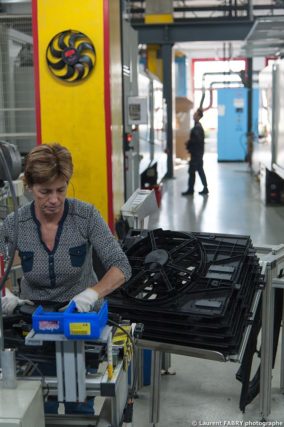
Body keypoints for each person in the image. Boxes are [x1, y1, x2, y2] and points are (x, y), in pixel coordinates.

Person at [0, 143, 132, 413]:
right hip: (33, 324)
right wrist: (8, 297)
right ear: (28, 187)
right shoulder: (15, 224)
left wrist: (93, 293)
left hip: (80, 324)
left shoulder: (86, 216)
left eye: (61, 189)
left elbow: (121, 266)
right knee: (36, 408)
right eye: (44, 191)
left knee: (79, 404)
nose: (54, 199)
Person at [181, 108, 209, 196]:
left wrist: (188, 143)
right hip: (197, 153)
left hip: (196, 154)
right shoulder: (197, 126)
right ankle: (196, 189)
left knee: (196, 171)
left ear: (199, 116)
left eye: (195, 114)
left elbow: (196, 140)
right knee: (195, 171)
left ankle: (194, 189)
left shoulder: (197, 127)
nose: (194, 115)